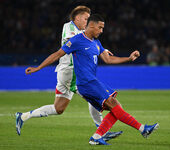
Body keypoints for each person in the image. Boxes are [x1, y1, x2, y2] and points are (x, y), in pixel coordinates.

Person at [24, 14, 159, 145]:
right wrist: (38, 68)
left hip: (92, 81)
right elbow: (57, 55)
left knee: (116, 106)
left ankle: (96, 136)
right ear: (92, 26)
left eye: (102, 28)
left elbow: (108, 59)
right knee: (114, 104)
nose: (102, 31)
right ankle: (142, 129)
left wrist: (128, 58)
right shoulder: (76, 40)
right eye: (100, 28)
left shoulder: (96, 42)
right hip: (85, 83)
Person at [15, 6, 122, 141]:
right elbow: (80, 40)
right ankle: (101, 131)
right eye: (86, 19)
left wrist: (102, 48)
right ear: (77, 18)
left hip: (66, 73)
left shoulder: (83, 32)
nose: (88, 22)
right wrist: (38, 68)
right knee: (93, 95)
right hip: (70, 73)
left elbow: (89, 39)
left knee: (58, 108)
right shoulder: (69, 27)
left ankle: (23, 116)